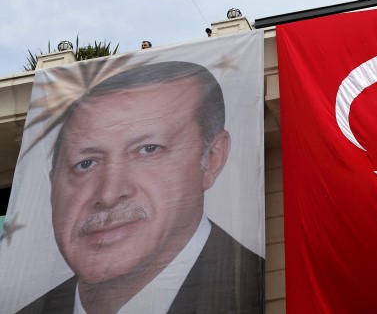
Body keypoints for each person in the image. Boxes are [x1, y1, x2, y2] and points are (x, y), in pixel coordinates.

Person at [19, 62, 263, 314]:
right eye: (85, 163)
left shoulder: (260, 288)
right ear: (52, 188)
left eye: (148, 149)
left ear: (212, 157)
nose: (109, 194)